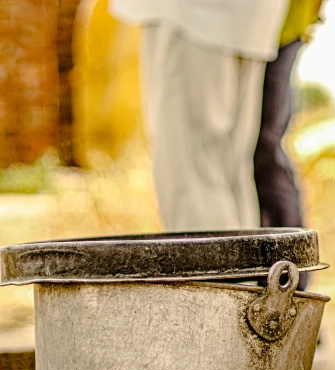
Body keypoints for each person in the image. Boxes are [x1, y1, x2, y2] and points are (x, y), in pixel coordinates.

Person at [110, 0, 290, 231]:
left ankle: (212, 267)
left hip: (191, 15)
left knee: (190, 177)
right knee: (231, 178)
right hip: (245, 18)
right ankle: (242, 268)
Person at [254, 1, 322, 290]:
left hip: (276, 26)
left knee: (263, 151)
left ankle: (291, 290)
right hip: (270, 26)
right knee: (259, 153)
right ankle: (284, 286)